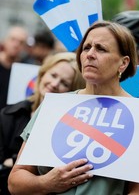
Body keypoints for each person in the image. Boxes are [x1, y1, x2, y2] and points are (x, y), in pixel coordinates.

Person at [8, 21, 139, 195]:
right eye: (86, 48)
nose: (90, 54)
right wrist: (47, 182)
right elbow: (16, 181)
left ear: (123, 63)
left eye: (101, 49)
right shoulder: (53, 107)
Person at [0, 52, 85, 194]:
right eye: (53, 75)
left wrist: (12, 162)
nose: (54, 84)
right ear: (43, 73)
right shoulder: (9, 114)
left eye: (64, 83)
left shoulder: (72, 128)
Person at [0, 25, 28, 110]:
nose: (16, 45)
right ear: (5, 40)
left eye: (21, 42)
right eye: (13, 39)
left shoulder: (24, 71)